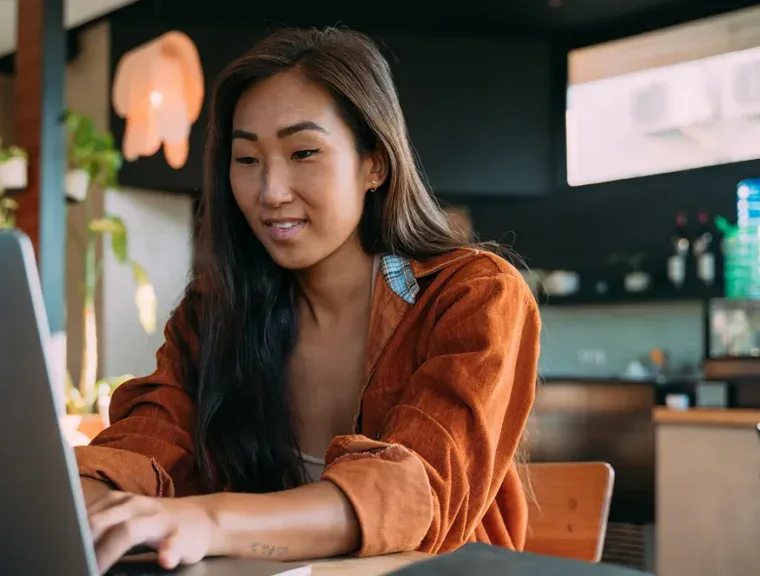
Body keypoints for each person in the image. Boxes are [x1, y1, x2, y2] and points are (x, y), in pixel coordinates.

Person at [77, 27, 540, 573]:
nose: (271, 191)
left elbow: (414, 493)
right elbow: (144, 440)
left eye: (303, 152)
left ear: (375, 164)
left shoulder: (472, 295)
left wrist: (210, 519)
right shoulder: (213, 311)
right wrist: (82, 498)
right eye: (246, 159)